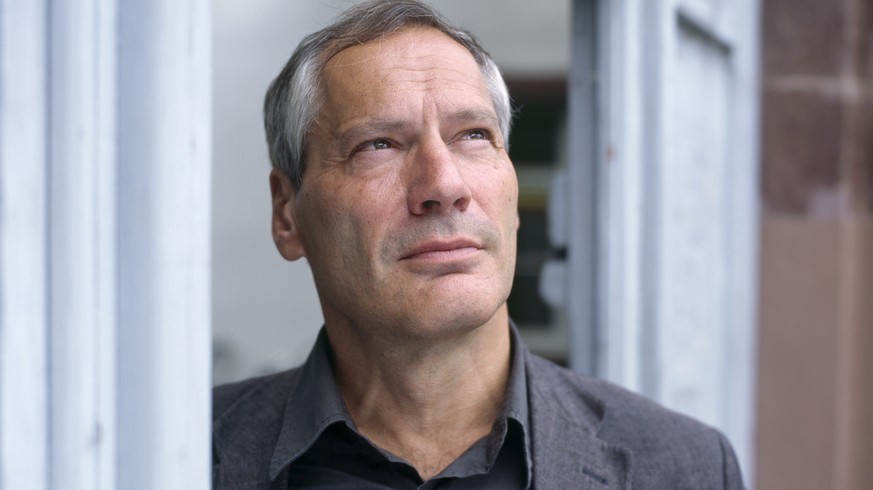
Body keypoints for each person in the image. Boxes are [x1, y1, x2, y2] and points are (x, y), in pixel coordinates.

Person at [212, 1, 745, 488]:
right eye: (379, 145)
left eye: (473, 135)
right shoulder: (177, 454)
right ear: (288, 214)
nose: (444, 186)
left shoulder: (683, 467)